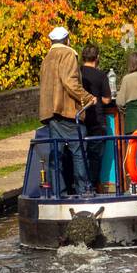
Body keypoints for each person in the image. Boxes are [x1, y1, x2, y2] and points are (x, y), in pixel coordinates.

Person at [38, 27, 95, 196]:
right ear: (67, 40)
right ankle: (84, 191)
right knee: (79, 151)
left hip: (51, 113)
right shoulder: (68, 54)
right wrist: (88, 97)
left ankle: (58, 193)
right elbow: (70, 82)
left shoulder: (47, 58)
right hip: (67, 111)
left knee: (57, 154)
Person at [80, 43, 113, 188]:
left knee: (80, 155)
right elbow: (107, 99)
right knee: (95, 156)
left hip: (80, 119)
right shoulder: (101, 75)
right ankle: (92, 186)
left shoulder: (77, 73)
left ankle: (80, 186)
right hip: (96, 120)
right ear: (97, 58)